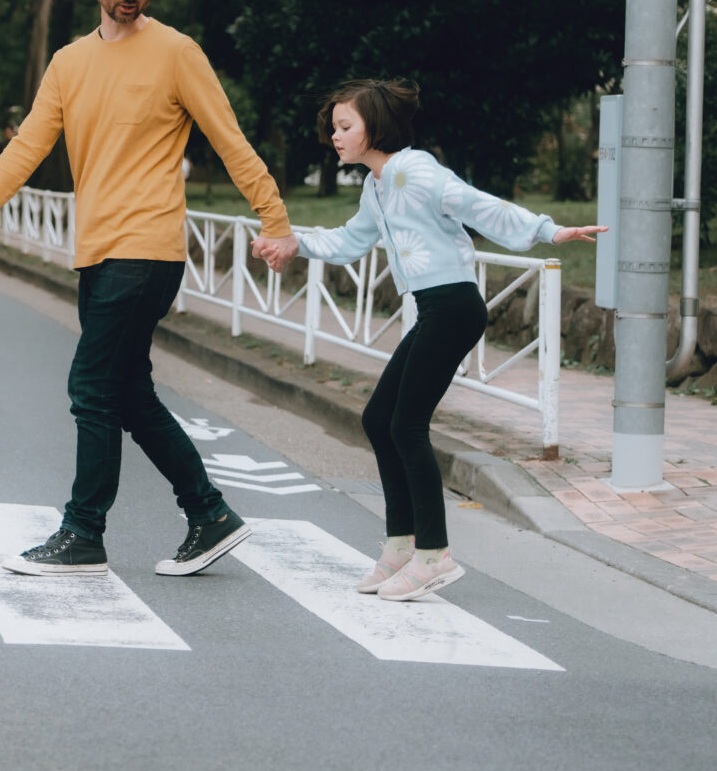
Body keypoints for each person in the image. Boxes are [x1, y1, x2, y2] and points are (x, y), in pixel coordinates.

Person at [0, 0, 292, 579]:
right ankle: (210, 513)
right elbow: (27, 147)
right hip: (99, 250)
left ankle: (84, 531)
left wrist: (274, 219)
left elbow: (230, 140)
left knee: (91, 386)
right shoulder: (69, 62)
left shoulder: (177, 52)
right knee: (127, 392)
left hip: (148, 247)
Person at [251, 81, 603, 601]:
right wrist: (292, 242)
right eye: (334, 127)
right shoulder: (375, 186)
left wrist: (547, 230)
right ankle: (401, 546)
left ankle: (435, 555)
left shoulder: (416, 171)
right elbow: (350, 241)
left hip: (453, 308)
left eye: (345, 126)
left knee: (406, 425)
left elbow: (477, 205)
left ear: (376, 126)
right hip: (433, 310)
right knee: (379, 419)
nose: (336, 136)